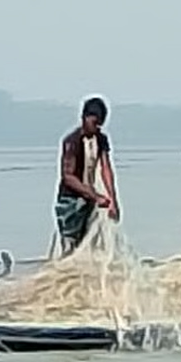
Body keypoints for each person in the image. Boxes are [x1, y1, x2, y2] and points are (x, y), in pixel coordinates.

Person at [54, 96, 120, 256]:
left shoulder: (101, 140)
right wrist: (96, 196)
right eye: (94, 123)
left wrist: (113, 200)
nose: (97, 127)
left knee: (88, 245)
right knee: (69, 245)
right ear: (84, 118)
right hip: (70, 201)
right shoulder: (72, 141)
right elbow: (68, 176)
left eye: (100, 124)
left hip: (88, 199)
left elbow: (106, 169)